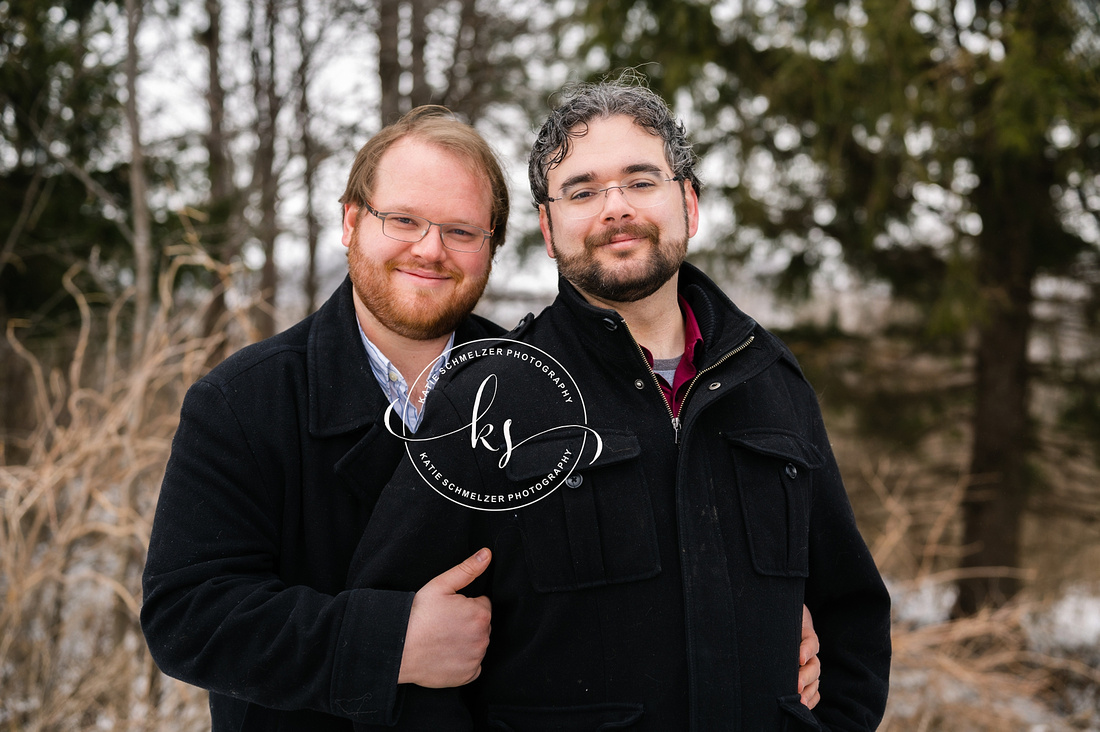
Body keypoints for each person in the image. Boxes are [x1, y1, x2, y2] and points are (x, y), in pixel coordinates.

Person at [140, 105, 823, 731]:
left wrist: (746, 629)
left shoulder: (543, 386)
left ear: (494, 247)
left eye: (461, 230)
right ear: (350, 222)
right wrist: (389, 642)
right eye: (402, 220)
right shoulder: (244, 401)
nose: (430, 250)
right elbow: (187, 618)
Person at [345, 79, 890, 730]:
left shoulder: (771, 381)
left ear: (689, 203)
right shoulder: (489, 396)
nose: (615, 208)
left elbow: (850, 612)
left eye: (641, 181)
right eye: (582, 190)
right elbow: (398, 643)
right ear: (548, 228)